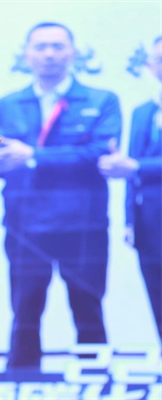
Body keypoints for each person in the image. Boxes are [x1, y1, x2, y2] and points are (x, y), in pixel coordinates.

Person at [0, 22, 121, 369]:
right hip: (24, 225)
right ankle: (20, 383)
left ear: (73, 53)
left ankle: (95, 382)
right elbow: (0, 160)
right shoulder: (6, 105)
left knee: (88, 309)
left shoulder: (102, 100)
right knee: (24, 312)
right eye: (41, 47)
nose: (49, 54)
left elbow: (99, 154)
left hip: (84, 225)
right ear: (26, 54)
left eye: (58, 46)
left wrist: (32, 156)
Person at [98, 36, 162, 339]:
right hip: (149, 223)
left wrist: (136, 166)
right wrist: (129, 220)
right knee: (157, 293)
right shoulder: (142, 111)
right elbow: (129, 168)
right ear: (150, 66)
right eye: (160, 60)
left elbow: (135, 165)